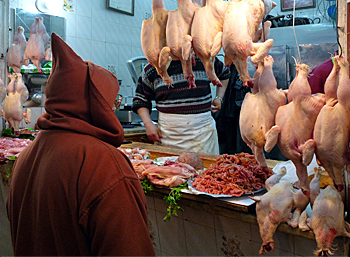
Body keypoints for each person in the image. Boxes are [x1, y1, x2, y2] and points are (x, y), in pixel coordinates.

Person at [6, 33, 155, 256]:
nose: (113, 110)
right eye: (111, 102)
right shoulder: (104, 164)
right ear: (95, 104)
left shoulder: (26, 156)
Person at [132, 56, 231, 155]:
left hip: (203, 133)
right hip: (169, 134)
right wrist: (148, 123)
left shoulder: (204, 58)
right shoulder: (154, 68)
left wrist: (219, 98)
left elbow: (225, 74)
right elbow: (141, 99)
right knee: (170, 167)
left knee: (206, 168)